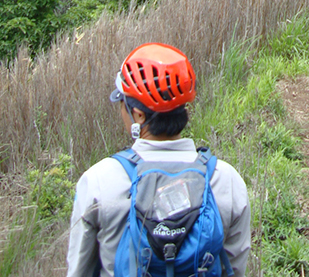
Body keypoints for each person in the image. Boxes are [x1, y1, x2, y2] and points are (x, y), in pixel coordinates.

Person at [67, 43, 251, 277]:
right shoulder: (227, 181)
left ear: (139, 115)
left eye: (123, 103)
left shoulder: (98, 183)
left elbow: (78, 271)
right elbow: (234, 269)